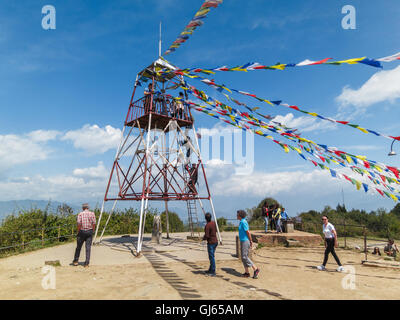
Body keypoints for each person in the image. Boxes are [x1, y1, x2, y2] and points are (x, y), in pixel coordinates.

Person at [237, 210, 260, 279]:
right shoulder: (241, 222)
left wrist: (251, 241)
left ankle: (255, 269)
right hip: (242, 240)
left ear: (240, 215)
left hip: (245, 241)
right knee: (243, 257)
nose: (236, 216)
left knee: (244, 257)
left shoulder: (243, 222)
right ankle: (247, 272)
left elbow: (248, 232)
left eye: (237, 214)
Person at [73, 203, 96, 268]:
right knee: (88, 248)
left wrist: (78, 231)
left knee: (78, 247)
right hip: (89, 231)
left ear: (83, 208)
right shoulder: (92, 213)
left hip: (82, 232)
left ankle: (76, 261)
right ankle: (86, 263)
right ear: (88, 208)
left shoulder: (80, 214)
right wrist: (93, 230)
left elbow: (78, 223)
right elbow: (94, 223)